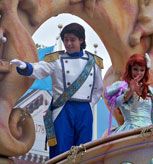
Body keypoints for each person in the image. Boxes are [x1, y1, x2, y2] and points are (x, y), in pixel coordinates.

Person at [10, 23, 103, 158]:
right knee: (61, 151)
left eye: (72, 40)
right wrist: (25, 66)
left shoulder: (94, 62)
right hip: (63, 110)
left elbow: (97, 89)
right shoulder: (56, 60)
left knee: (83, 151)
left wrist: (89, 105)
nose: (68, 43)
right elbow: (39, 69)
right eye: (66, 40)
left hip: (84, 111)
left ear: (81, 40)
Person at [104, 53, 153, 164]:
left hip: (149, 132)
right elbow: (117, 103)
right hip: (130, 131)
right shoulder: (122, 87)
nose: (138, 73)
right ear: (130, 69)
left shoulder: (150, 91)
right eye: (135, 69)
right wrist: (131, 90)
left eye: (142, 70)